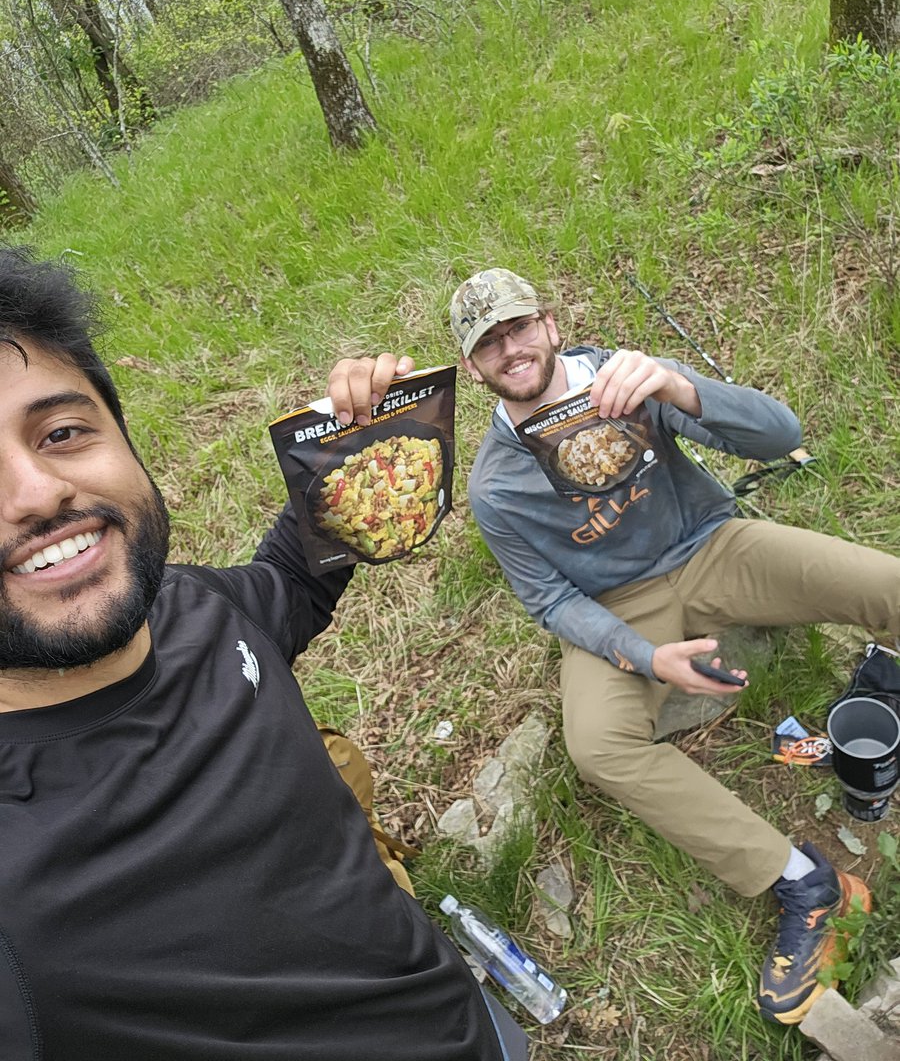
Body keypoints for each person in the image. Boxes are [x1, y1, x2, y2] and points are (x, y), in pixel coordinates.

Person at [327, 267, 900, 1028]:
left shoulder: (625, 383)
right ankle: (802, 881)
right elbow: (550, 599)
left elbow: (782, 436)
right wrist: (641, 654)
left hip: (713, 544)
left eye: (519, 326)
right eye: (489, 343)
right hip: (616, 603)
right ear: (472, 369)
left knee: (883, 582)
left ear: (550, 324)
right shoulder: (496, 485)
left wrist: (678, 387)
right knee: (598, 745)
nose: (511, 348)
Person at [0, 246, 529, 1061]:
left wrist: (349, 451)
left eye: (62, 432)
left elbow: (291, 579)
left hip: (467, 1023)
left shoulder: (193, 607)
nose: (36, 493)